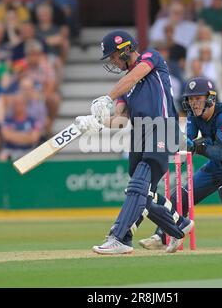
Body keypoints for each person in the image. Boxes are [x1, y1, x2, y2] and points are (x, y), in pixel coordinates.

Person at [77, 30, 194, 254]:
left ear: (126, 49)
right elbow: (120, 120)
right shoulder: (125, 89)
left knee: (138, 186)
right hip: (139, 134)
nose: (112, 60)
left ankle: (119, 237)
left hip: (162, 127)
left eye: (113, 55)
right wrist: (96, 123)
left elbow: (132, 77)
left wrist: (106, 97)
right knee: (142, 192)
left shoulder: (151, 57)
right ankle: (179, 224)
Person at [139, 77, 222, 250]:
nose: (194, 103)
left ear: (211, 98)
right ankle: (162, 236)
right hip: (219, 163)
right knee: (180, 195)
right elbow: (188, 142)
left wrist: (195, 146)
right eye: (190, 99)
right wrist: (178, 153)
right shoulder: (193, 115)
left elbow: (219, 152)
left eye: (198, 98)